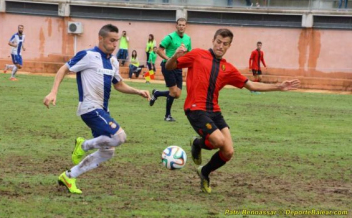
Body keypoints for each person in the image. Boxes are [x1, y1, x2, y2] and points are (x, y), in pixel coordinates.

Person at [165, 28, 300, 193]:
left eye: (225, 44)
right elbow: (169, 66)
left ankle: (204, 171)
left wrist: (278, 86)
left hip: (214, 111)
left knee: (228, 151)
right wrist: (174, 56)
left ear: (229, 46)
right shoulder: (197, 54)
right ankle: (197, 143)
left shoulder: (227, 68)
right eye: (218, 42)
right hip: (195, 109)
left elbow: (251, 85)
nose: (221, 46)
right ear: (213, 40)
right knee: (218, 141)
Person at [43, 24, 150, 194]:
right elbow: (63, 69)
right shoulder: (87, 55)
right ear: (101, 38)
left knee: (108, 152)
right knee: (120, 136)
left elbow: (119, 85)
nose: (115, 44)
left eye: (117, 41)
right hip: (89, 108)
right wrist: (53, 92)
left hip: (102, 111)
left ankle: (69, 176)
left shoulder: (113, 61)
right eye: (111, 40)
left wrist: (138, 92)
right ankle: (84, 145)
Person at [150, 18, 192, 122]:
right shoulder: (170, 37)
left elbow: (189, 53)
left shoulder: (188, 39)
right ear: (176, 26)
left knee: (177, 94)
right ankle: (167, 116)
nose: (181, 26)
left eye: (183, 25)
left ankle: (157, 93)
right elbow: (159, 50)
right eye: (180, 25)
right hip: (168, 66)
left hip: (178, 67)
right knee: (173, 92)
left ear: (186, 26)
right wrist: (169, 59)